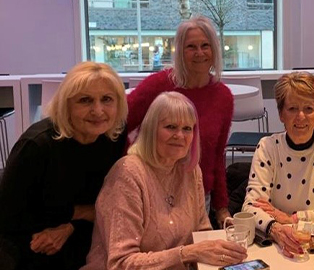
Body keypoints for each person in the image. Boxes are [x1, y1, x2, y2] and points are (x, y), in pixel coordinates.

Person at [81, 92, 247, 269]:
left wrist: (220, 252)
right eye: (170, 126)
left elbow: (202, 233)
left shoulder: (190, 171)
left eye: (187, 128)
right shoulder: (128, 174)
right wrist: (187, 253)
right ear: (151, 129)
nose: (180, 136)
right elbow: (121, 263)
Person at [0, 61, 128, 270]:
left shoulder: (114, 136)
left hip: (85, 233)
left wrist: (70, 224)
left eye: (106, 99)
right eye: (85, 100)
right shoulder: (37, 146)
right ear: (66, 105)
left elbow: (110, 204)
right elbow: (9, 217)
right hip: (32, 237)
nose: (98, 110)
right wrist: (81, 213)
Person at [127, 15, 233, 227]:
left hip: (198, 198)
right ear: (180, 51)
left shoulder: (223, 97)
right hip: (153, 195)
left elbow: (217, 156)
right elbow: (119, 127)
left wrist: (222, 207)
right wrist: (128, 174)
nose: (200, 53)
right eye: (191, 47)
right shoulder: (158, 86)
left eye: (205, 46)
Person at [242, 72, 314, 258]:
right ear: (281, 114)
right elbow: (250, 207)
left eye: (308, 108)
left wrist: (294, 218)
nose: (301, 116)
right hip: (281, 248)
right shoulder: (267, 147)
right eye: (292, 109)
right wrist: (277, 229)